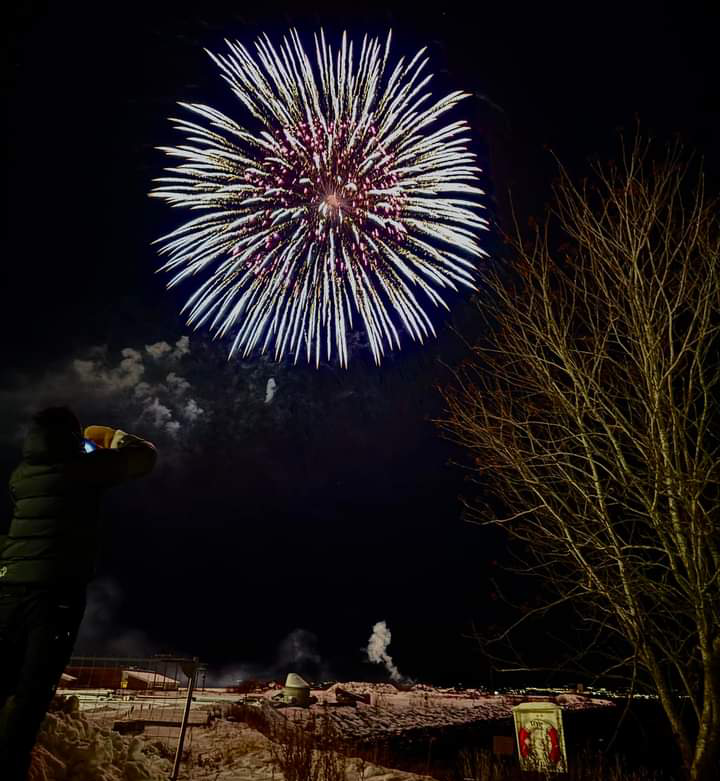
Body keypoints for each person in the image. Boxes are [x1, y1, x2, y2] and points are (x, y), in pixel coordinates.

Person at [0, 406, 156, 780]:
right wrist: (110, 439)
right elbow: (143, 458)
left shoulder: (21, 475)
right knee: (30, 696)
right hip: (56, 594)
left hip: (9, 588)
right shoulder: (83, 470)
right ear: (71, 438)